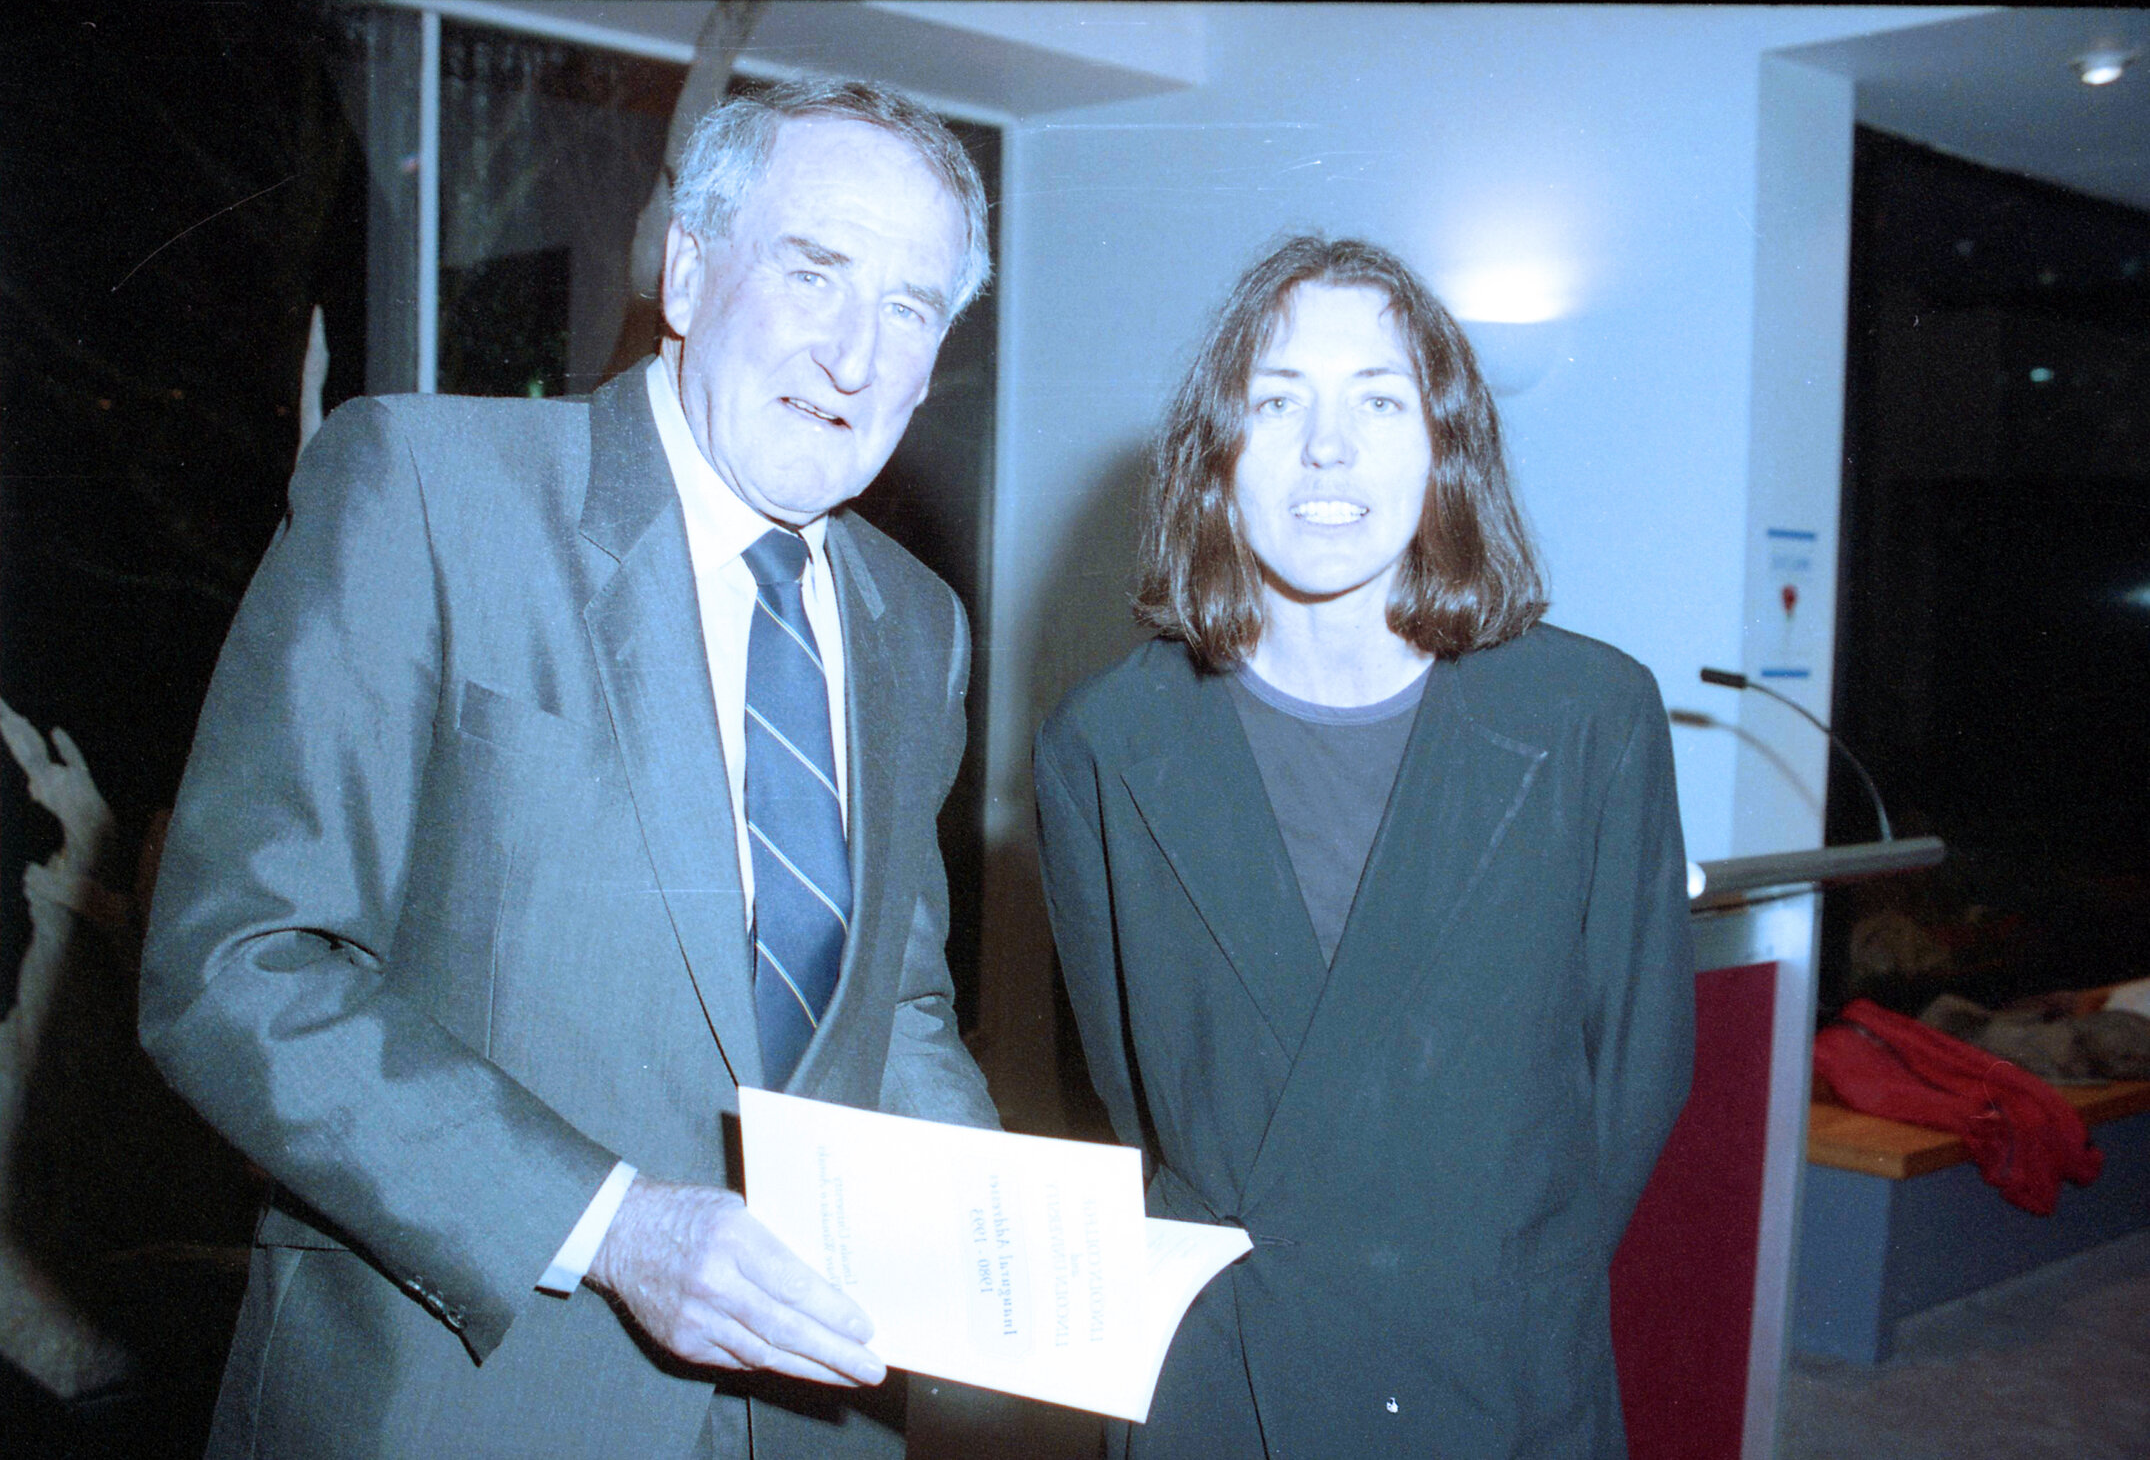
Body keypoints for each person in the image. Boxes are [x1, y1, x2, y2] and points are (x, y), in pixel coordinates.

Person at [140, 79, 1000, 1459]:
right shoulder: (425, 488)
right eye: (813, 269)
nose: (852, 355)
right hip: (455, 1406)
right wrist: (609, 1226)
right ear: (691, 268)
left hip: (810, 1415)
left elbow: (891, 1002)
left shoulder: (918, 626)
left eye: (907, 309)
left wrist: (993, 1239)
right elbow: (238, 963)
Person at [1034, 236, 1694, 1458]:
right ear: (1214, 455)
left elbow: (1635, 1073)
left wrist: (1497, 1284)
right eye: (1276, 401)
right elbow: (1120, 1093)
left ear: (1445, 447)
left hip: (1494, 1371)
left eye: (1379, 400)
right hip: (1221, 1376)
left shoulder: (1590, 717)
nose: (1325, 447)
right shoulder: (1105, 740)